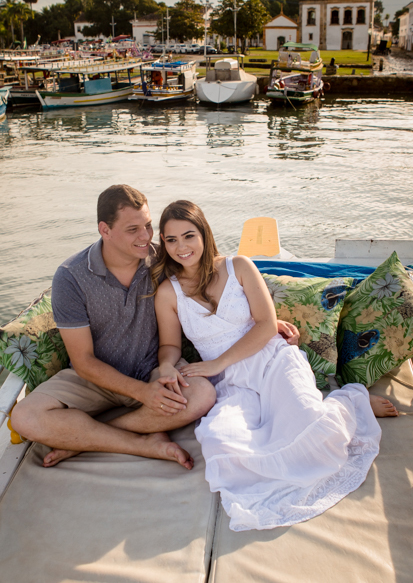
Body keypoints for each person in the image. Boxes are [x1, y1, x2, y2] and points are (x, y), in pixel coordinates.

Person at [12, 185, 300, 469]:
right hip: (95, 378)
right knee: (25, 417)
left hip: (154, 370)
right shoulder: (71, 277)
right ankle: (140, 443)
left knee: (202, 394)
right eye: (132, 229)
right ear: (105, 230)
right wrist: (141, 394)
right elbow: (83, 361)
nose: (145, 237)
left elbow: (208, 273)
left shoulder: (162, 258)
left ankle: (81, 437)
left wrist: (263, 320)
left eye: (148, 226)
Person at [153, 200, 397, 531]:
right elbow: (169, 345)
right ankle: (328, 402)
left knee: (314, 430)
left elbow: (267, 325)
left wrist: (216, 363)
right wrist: (166, 366)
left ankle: (348, 403)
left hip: (272, 360)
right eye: (171, 240)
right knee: (221, 442)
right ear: (163, 244)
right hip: (230, 383)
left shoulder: (238, 266)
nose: (182, 247)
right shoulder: (169, 292)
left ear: (204, 234)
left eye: (189, 236)